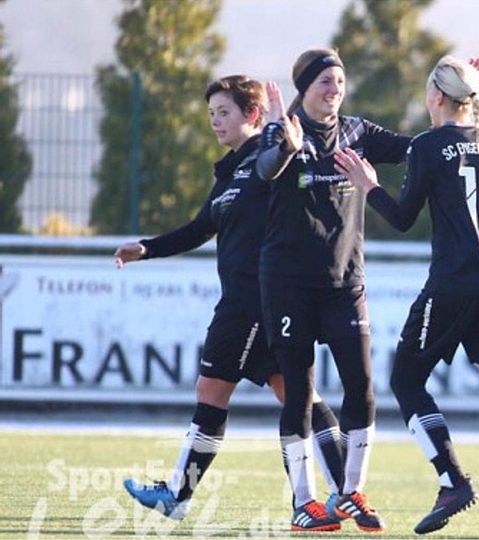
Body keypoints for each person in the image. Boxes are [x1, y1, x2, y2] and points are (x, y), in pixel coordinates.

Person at [335, 55, 479, 540]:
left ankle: (453, 480)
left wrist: (368, 187)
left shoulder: (429, 146)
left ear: (436, 96)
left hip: (455, 285)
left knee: (406, 378)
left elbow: (403, 217)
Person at [255, 47, 414, 533]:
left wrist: (461, 115)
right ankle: (304, 503)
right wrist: (287, 144)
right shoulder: (281, 130)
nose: (335, 90)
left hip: (345, 283)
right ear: (304, 88)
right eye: (325, 82)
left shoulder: (358, 132)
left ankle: (350, 493)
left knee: (362, 388)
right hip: (288, 285)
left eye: (340, 82)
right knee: (299, 396)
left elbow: (416, 148)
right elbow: (265, 169)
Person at [117, 75, 284, 520]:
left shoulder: (266, 162)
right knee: (295, 395)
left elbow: (290, 156)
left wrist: (280, 126)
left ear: (252, 114)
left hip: (250, 301)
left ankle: (177, 495)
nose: (215, 121)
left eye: (224, 112)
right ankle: (346, 490)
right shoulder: (229, 172)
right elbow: (199, 228)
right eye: (211, 114)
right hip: (251, 302)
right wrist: (147, 248)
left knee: (211, 391)